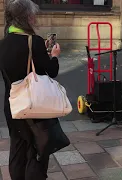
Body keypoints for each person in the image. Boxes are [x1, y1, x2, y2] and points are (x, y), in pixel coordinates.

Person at [0, 0, 61, 179]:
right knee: (38, 146)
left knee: (18, 146)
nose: (35, 18)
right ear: (27, 17)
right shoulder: (33, 41)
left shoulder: (3, 43)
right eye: (33, 15)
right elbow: (51, 71)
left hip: (12, 104)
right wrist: (54, 56)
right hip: (34, 105)